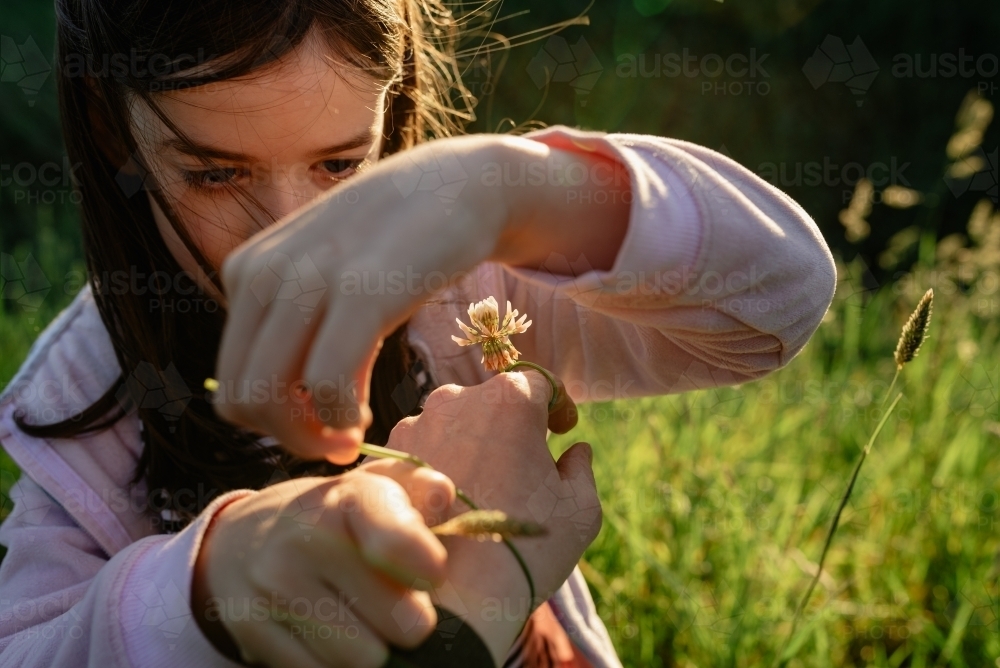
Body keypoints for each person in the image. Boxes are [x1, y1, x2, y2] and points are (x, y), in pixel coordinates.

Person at [0, 0, 838, 666]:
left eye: (340, 163)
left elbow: (779, 303)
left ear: (392, 104)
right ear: (117, 134)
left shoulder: (478, 290)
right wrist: (204, 589)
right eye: (214, 174)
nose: (288, 233)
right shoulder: (82, 406)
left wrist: (513, 193)